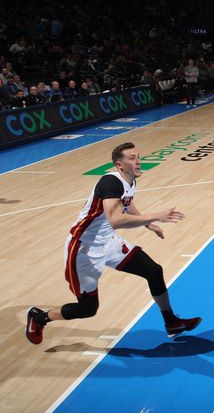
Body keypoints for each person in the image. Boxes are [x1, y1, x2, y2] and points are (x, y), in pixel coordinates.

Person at [25, 143, 200, 345]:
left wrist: (147, 222)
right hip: (84, 249)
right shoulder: (110, 182)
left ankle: (171, 323)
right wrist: (156, 216)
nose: (138, 161)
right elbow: (116, 220)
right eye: (132, 158)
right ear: (119, 164)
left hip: (109, 242)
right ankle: (39, 318)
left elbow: (126, 202)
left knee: (153, 271)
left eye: (139, 156)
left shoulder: (130, 180)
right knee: (88, 309)